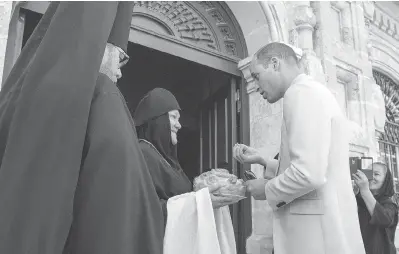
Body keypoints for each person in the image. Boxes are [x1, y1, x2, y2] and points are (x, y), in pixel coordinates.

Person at [0, 2, 164, 254]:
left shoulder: (15, 98)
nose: (120, 72)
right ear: (100, 43)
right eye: (121, 58)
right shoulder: (103, 96)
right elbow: (122, 206)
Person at [233, 42, 365, 254]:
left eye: (256, 75)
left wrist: (266, 189)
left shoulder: (300, 93)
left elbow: (308, 174)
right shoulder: (312, 91)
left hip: (316, 237)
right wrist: (264, 161)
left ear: (275, 64)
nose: (256, 86)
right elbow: (319, 164)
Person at [133, 87, 238, 220]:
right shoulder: (143, 153)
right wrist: (199, 202)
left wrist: (205, 188)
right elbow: (146, 209)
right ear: (157, 120)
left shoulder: (167, 159)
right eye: (173, 117)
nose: (179, 125)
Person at [353, 162, 398, 254]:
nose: (371, 177)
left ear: (386, 180)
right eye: (368, 173)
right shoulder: (358, 199)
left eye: (376, 174)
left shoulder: (390, 204)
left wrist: (364, 190)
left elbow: (383, 219)